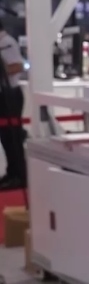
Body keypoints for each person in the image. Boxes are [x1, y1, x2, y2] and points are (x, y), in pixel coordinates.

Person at [0, 21, 25, 190]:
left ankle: (19, 175)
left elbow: (17, 66)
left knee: (13, 137)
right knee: (6, 138)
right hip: (3, 95)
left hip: (10, 95)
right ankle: (12, 172)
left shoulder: (7, 43)